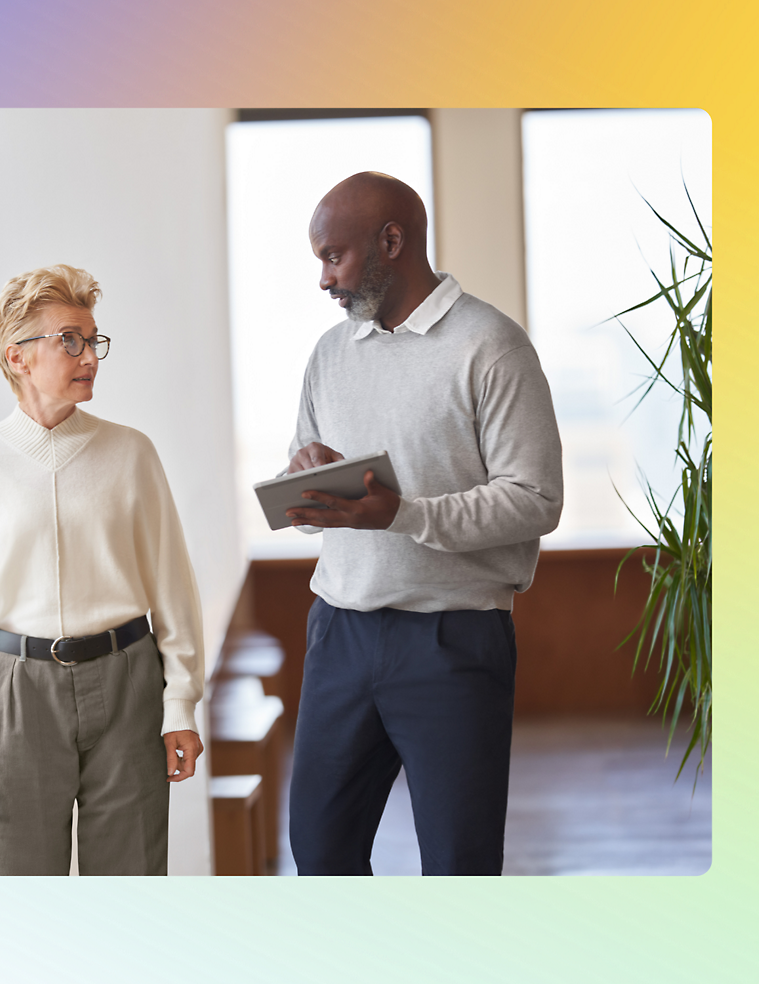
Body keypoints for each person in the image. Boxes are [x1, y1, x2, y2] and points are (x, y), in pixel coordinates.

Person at [283, 172, 563, 875]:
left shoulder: (491, 345)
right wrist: (307, 476)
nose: (324, 279)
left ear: (391, 241)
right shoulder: (330, 353)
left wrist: (403, 515)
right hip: (338, 632)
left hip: (452, 640)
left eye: (333, 256)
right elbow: (314, 502)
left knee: (458, 867)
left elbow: (537, 499)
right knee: (320, 853)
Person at [0, 264, 205, 876]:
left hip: (129, 685)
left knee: (130, 889)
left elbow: (174, 592)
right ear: (17, 357)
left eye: (93, 340)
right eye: (69, 340)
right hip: (14, 692)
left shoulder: (131, 453)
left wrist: (180, 702)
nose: (90, 357)